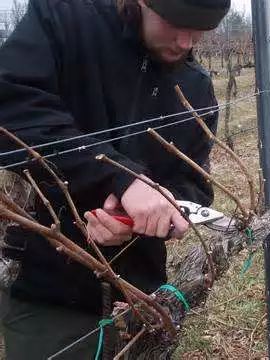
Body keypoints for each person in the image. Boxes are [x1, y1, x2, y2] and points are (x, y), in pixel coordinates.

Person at [0, 0, 231, 358]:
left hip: (142, 301)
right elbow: (12, 111)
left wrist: (158, 217)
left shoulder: (196, 91)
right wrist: (118, 177)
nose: (186, 42)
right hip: (47, 294)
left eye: (203, 29)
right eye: (174, 22)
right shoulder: (64, 18)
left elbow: (193, 186)